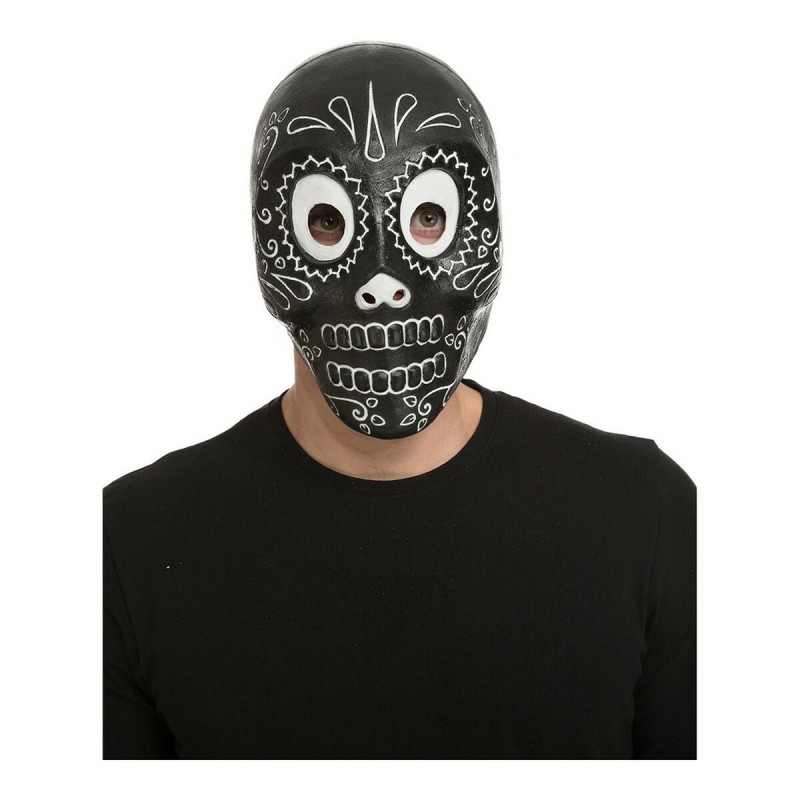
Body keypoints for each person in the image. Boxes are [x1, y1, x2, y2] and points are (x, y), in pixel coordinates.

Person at [103, 41, 696, 759]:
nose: (383, 282)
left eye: (428, 218)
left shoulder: (647, 515)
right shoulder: (130, 545)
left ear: (489, 231)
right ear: (266, 242)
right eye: (327, 224)